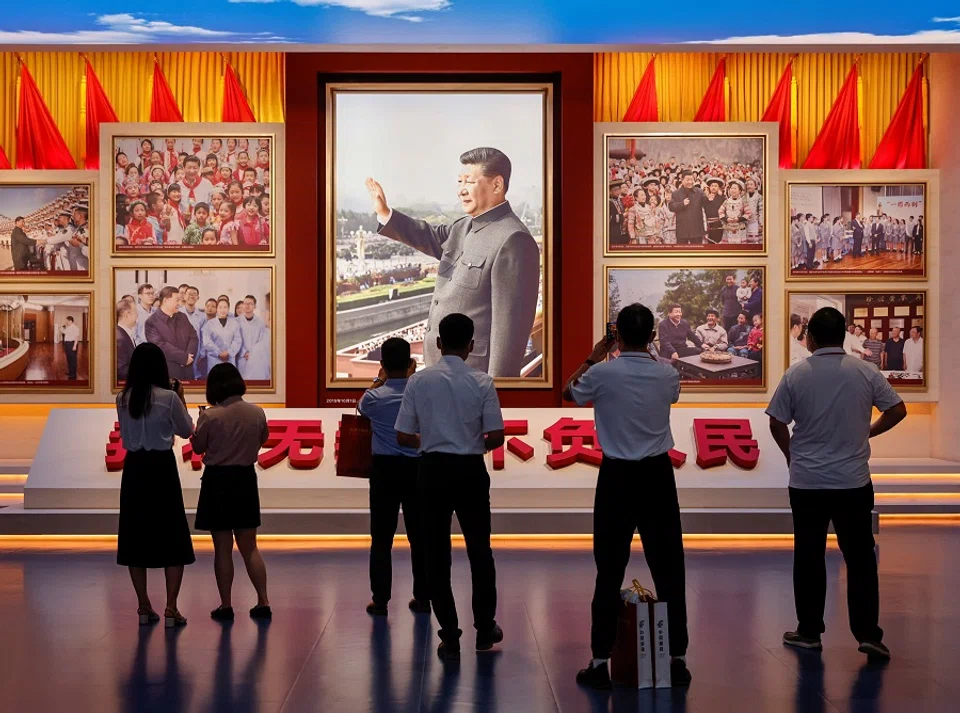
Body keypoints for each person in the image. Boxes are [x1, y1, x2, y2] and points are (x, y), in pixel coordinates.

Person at [563, 303, 691, 690]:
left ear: (616, 335)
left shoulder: (601, 373)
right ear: (653, 335)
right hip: (656, 476)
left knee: (608, 570)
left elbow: (569, 393)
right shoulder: (667, 374)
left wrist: (595, 353)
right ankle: (677, 660)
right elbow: (670, 394)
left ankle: (601, 661)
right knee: (669, 569)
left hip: (616, 477)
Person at [767, 307, 907, 660]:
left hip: (808, 482)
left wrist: (791, 456)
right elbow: (898, 409)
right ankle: (868, 634)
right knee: (860, 557)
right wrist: (869, 432)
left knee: (809, 555)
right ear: (843, 335)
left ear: (810, 337)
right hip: (853, 481)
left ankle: (810, 631)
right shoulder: (866, 372)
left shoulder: (796, 374)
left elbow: (776, 422)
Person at [367, 148, 540, 378]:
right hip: (439, 373)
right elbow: (426, 235)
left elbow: (509, 333)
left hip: (472, 379)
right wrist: (386, 213)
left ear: (497, 185)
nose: (461, 190)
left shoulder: (514, 239)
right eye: (459, 181)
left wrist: (499, 391)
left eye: (469, 182)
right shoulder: (463, 227)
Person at [395, 313, 505, 661]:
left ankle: (450, 636)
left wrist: (431, 442)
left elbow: (401, 434)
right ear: (472, 346)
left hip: (431, 471)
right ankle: (485, 630)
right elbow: (497, 435)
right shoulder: (483, 381)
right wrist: (473, 446)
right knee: (480, 553)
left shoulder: (419, 382)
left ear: (438, 343)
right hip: (471, 471)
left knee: (435, 556)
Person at [116, 343, 195, 629]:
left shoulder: (122, 398)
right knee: (172, 537)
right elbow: (186, 431)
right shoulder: (169, 397)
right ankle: (171, 607)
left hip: (134, 469)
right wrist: (180, 397)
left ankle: (143, 605)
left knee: (135, 537)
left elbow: (125, 433)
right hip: (162, 469)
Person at [192, 363, 272, 622]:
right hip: (245, 480)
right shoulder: (257, 412)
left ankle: (226, 605)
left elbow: (197, 447)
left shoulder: (210, 416)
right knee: (250, 547)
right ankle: (263, 601)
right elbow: (263, 439)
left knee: (223, 548)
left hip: (217, 482)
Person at [358, 338, 429, 617]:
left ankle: (381, 600)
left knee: (381, 537)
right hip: (416, 469)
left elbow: (361, 408)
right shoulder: (420, 395)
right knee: (419, 536)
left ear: (383, 365)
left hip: (384, 471)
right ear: (411, 364)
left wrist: (379, 378)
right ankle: (423, 597)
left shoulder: (373, 398)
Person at [145, 286, 199, 381]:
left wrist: (189, 357)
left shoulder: (182, 317)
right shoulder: (152, 322)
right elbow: (160, 346)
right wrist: (184, 357)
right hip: (167, 373)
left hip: (188, 371)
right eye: (177, 300)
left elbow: (193, 337)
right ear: (166, 300)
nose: (179, 303)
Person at [203, 298, 243, 376]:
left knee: (229, 381)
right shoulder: (209, 324)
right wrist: (219, 353)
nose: (223, 310)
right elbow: (207, 341)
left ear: (228, 309)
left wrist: (228, 352)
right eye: (220, 307)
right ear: (217, 309)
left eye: (225, 307)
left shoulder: (234, 323)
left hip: (229, 359)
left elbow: (237, 340)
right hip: (214, 358)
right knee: (215, 382)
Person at [669, 170, 707, 245]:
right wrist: (682, 204)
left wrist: (708, 199)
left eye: (691, 179)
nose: (690, 182)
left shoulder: (699, 192)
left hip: (696, 229)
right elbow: (671, 206)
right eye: (687, 180)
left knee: (697, 253)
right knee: (682, 253)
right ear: (682, 180)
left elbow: (706, 204)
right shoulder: (676, 193)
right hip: (682, 230)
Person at [237, 295, 269, 381]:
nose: (247, 305)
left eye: (250, 303)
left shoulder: (260, 322)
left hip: (256, 358)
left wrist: (253, 353)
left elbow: (262, 340)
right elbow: (236, 340)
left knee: (255, 381)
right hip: (242, 358)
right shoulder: (237, 321)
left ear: (255, 306)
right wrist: (244, 353)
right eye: (245, 303)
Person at [116, 300, 139, 382]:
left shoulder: (123, 333)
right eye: (135, 312)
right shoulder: (120, 338)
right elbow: (121, 370)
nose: (137, 315)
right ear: (126, 314)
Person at [61, 316, 80, 380]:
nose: (66, 322)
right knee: (69, 359)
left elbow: (76, 338)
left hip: (72, 344)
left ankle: (73, 375)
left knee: (73, 360)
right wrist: (62, 327)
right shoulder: (68, 327)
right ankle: (70, 372)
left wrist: (74, 346)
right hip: (67, 344)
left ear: (70, 321)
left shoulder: (75, 328)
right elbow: (64, 332)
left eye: (67, 321)